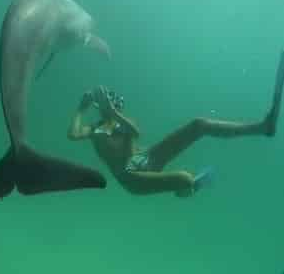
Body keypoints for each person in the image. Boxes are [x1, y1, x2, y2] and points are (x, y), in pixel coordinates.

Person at [67, 51, 284, 197]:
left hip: (147, 157)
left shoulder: (122, 121)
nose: (110, 105)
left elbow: (135, 132)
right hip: (131, 178)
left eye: (113, 103)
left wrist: (114, 113)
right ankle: (191, 186)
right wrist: (80, 108)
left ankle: (263, 127)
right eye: (106, 102)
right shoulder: (95, 130)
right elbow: (73, 134)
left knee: (199, 124)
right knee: (184, 179)